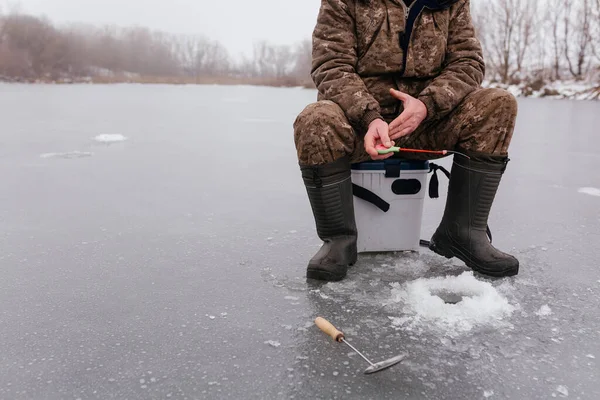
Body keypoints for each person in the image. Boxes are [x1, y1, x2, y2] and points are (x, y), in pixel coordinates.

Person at [293, 0, 520, 282]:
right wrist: (369, 117)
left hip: (426, 123)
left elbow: (467, 63)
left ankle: (462, 233)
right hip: (360, 126)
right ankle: (338, 241)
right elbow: (331, 65)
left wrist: (427, 105)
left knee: (497, 103)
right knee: (315, 119)